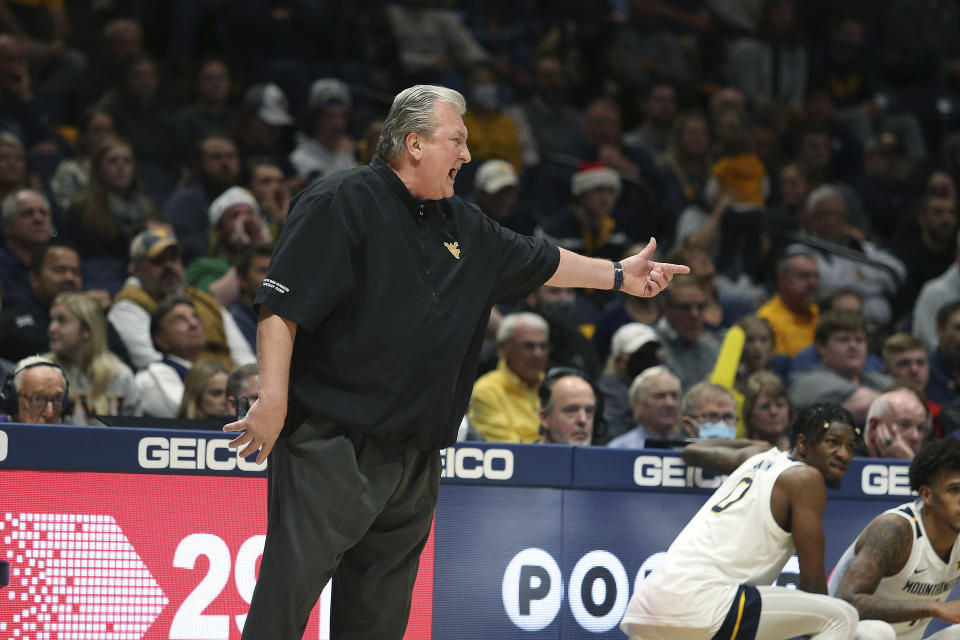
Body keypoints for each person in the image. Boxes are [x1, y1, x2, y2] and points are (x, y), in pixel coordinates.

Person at [222, 84, 688, 640]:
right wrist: (272, 399)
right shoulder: (338, 200)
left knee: (378, 623)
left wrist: (618, 274)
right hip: (334, 446)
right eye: (457, 141)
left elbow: (542, 260)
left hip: (418, 457)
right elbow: (280, 306)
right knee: (284, 602)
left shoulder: (463, 224)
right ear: (414, 144)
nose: (468, 155)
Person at [621, 404, 862, 640]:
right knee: (840, 616)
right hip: (703, 603)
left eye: (850, 446)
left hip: (647, 604)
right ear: (801, 443)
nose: (844, 454)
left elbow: (692, 451)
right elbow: (812, 584)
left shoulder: (757, 456)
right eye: (832, 442)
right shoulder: (805, 478)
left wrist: (757, 444)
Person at [829, 437, 960, 639]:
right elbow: (847, 601)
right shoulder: (896, 529)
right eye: (955, 490)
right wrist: (933, 607)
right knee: (877, 632)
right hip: (842, 634)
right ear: (927, 495)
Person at [108, 228, 255, 371]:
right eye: (157, 261)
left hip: (234, 386)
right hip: (184, 386)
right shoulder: (129, 306)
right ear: (137, 270)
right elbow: (154, 364)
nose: (168, 266)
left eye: (173, 258)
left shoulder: (204, 300)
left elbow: (244, 356)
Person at [45, 292, 140, 425]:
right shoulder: (41, 372)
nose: (52, 328)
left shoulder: (120, 376)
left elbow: (135, 433)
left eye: (62, 320)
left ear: (87, 330)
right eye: (52, 320)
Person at [790, 310, 894, 425]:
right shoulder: (809, 382)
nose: (853, 346)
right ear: (821, 347)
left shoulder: (876, 380)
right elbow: (865, 401)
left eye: (859, 340)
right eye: (843, 339)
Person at [468, 311, 550, 443]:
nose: (537, 354)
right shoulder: (486, 391)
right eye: (529, 346)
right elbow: (510, 450)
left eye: (543, 346)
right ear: (503, 348)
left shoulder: (554, 387)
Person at [133, 297, 207, 418]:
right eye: (180, 320)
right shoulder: (154, 374)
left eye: (195, 316)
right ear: (161, 340)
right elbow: (187, 416)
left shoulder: (209, 369)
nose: (194, 324)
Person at [654, 274, 722, 392]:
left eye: (700, 307)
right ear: (665, 309)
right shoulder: (650, 346)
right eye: (685, 307)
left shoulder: (714, 347)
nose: (694, 314)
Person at [598, 321, 663, 441]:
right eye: (640, 354)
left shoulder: (665, 385)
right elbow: (615, 433)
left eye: (651, 352)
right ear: (618, 360)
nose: (648, 359)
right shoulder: (610, 389)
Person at [757, 252, 821, 357]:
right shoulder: (767, 320)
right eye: (803, 275)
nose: (812, 282)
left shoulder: (816, 311)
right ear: (781, 280)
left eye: (816, 276)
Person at [0, 187, 55, 306]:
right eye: (28, 213)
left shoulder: (63, 262)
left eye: (43, 213)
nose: (38, 219)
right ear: (7, 224)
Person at [607, 365, 681, 449]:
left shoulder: (688, 448)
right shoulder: (620, 449)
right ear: (637, 403)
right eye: (660, 396)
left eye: (674, 396)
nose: (669, 403)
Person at [858, 388, 930, 460]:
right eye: (904, 425)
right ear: (874, 426)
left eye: (920, 428)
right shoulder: (850, 462)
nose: (915, 437)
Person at [0, 355, 70, 424]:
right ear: (12, 402)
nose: (49, 414)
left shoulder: (71, 433)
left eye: (57, 400)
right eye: (38, 399)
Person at [537, 367, 596, 445]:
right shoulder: (523, 457)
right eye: (571, 410)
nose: (583, 420)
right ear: (545, 418)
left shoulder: (605, 457)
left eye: (589, 411)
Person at [742, 371, 792, 450]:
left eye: (779, 405)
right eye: (765, 406)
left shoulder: (801, 449)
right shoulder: (741, 454)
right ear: (749, 413)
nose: (774, 411)